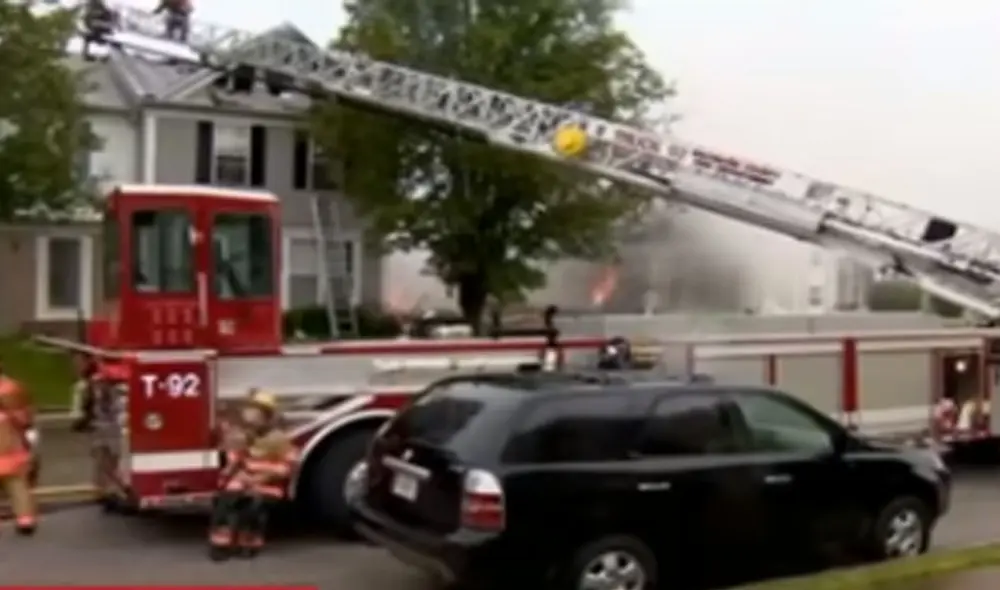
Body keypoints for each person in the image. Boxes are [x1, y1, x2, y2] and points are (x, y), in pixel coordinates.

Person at [208, 389, 296, 561]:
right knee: (226, 500)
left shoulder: (279, 440)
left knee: (254, 506)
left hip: (268, 485)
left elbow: (287, 467)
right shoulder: (245, 436)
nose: (249, 415)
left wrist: (259, 479)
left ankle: (250, 542)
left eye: (254, 411)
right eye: (249, 410)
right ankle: (221, 543)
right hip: (244, 478)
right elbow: (236, 459)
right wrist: (233, 474)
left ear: (266, 416)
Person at [0, 359, 37, 535]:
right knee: (17, 484)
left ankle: (24, 518)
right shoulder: (12, 388)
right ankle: (25, 519)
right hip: (10, 443)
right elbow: (24, 416)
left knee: (16, 483)